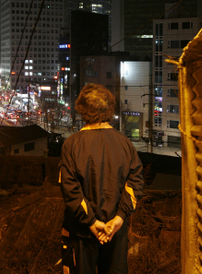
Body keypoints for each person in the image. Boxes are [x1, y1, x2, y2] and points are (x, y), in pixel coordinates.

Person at [59, 84, 144, 274]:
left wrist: (91, 222)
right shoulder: (125, 143)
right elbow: (136, 182)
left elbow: (70, 189)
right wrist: (119, 218)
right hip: (115, 232)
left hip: (81, 232)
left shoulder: (72, 144)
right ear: (109, 109)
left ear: (82, 110)